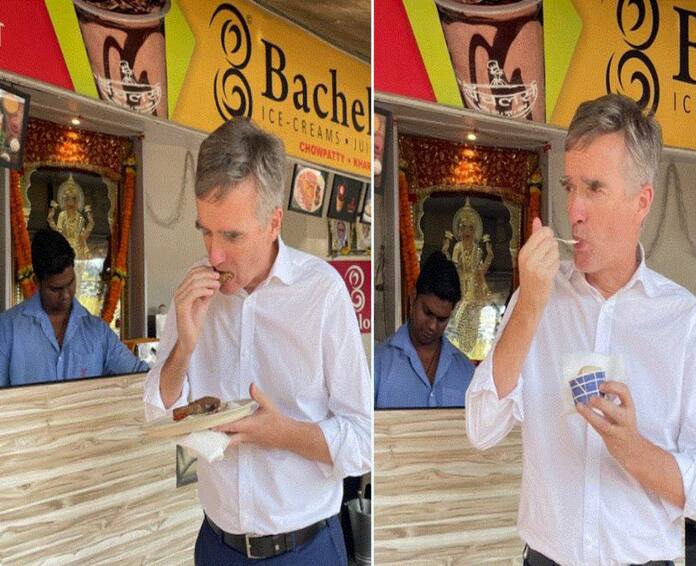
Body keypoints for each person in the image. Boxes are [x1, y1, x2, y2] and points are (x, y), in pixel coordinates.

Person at [466, 94, 696, 565]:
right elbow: (482, 428)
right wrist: (528, 305)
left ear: (641, 201)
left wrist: (633, 451)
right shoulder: (537, 297)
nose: (575, 211)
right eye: (570, 187)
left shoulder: (683, 322)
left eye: (595, 189)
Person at [142, 117, 371, 565]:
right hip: (216, 546)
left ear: (273, 222)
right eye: (205, 230)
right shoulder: (194, 291)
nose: (214, 255)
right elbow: (158, 413)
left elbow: (363, 442)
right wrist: (184, 347)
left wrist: (281, 433)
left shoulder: (321, 293)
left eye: (232, 235)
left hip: (306, 549)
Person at [0, 229, 148, 386]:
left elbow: (141, 378)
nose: (65, 295)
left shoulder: (97, 332)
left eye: (70, 283)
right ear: (37, 282)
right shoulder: (8, 328)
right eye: (55, 289)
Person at [375, 251, 474, 408]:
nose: (432, 326)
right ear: (413, 297)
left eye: (442, 319)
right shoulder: (378, 363)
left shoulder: (466, 371)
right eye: (428, 313)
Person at [442, 198, 494, 358]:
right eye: (464, 227)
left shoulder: (478, 250)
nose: (467, 231)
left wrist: (490, 255)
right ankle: (458, 351)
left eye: (471, 228)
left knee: (474, 321)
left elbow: (480, 271)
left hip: (474, 290)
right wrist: (445, 251)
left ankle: (472, 351)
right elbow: (454, 266)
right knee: (458, 319)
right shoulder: (457, 247)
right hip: (460, 286)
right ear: (459, 230)